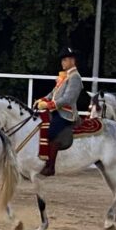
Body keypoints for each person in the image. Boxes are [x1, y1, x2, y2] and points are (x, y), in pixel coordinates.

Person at [36, 47, 83, 177]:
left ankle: (50, 166)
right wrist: (42, 99)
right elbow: (53, 93)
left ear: (72, 61)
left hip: (66, 114)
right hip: (57, 111)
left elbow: (68, 99)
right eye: (62, 60)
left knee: (50, 132)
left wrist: (49, 104)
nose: (63, 62)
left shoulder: (75, 78)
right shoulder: (65, 77)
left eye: (65, 60)